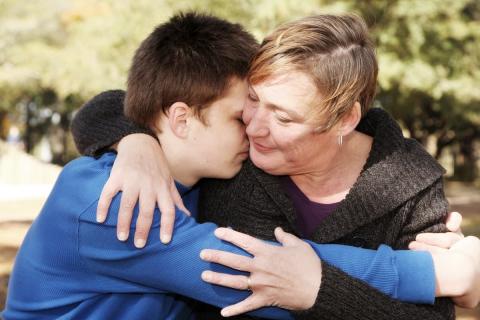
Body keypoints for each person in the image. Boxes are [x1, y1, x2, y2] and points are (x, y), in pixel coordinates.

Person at [1, 13, 448, 320]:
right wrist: (436, 273)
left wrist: (136, 139)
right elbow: (262, 273)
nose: (253, 128)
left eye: (279, 114)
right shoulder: (114, 202)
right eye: (244, 111)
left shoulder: (190, 176)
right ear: (180, 120)